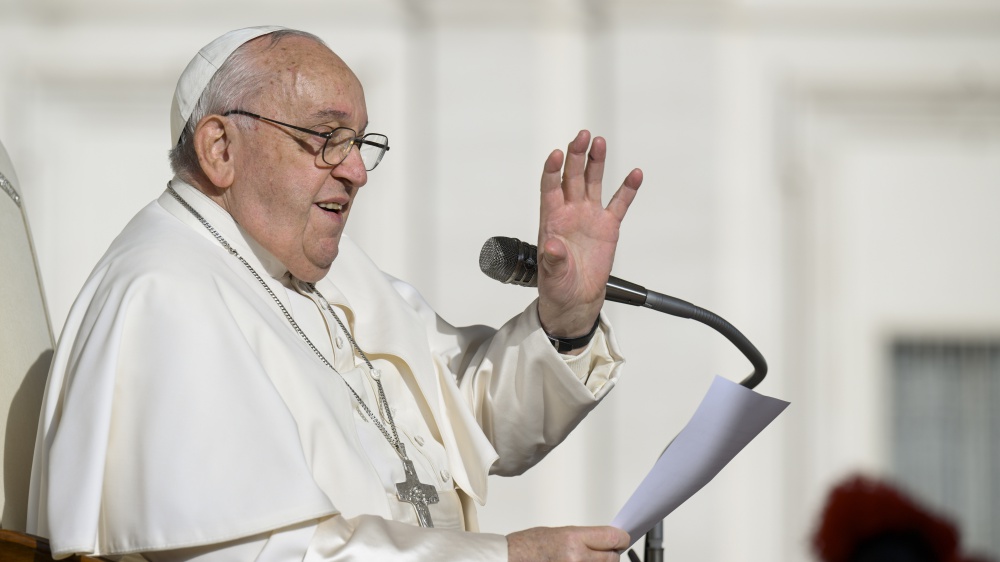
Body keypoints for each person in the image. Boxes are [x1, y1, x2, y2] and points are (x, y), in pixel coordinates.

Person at [27, 26, 643, 561]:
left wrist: (566, 316)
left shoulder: (327, 271)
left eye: (359, 142)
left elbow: (466, 416)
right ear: (220, 149)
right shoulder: (164, 293)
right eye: (326, 138)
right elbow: (263, 554)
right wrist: (504, 558)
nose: (356, 170)